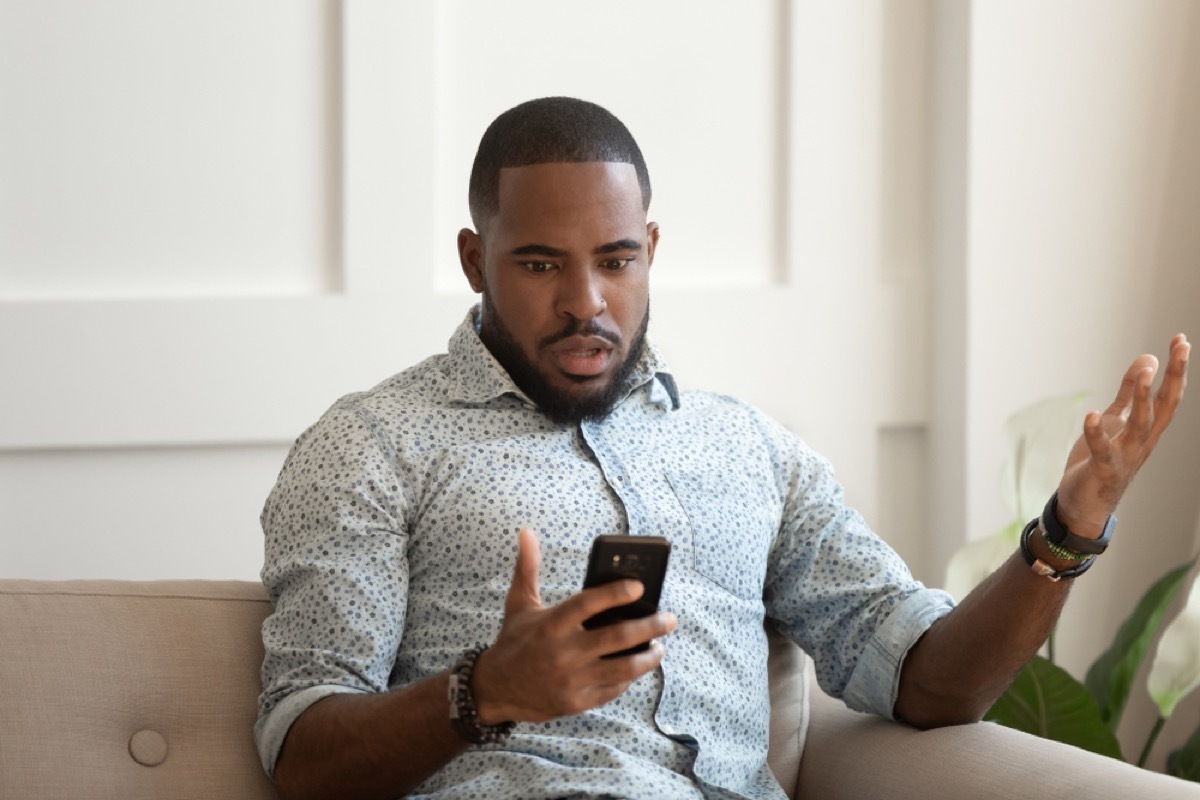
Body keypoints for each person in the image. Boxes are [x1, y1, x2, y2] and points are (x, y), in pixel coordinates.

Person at [255, 96, 1190, 800]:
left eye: (616, 259)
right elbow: (302, 755)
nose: (587, 301)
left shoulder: (750, 451)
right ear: (474, 259)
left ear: (651, 249)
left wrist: (1068, 529)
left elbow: (927, 681)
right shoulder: (372, 445)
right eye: (541, 264)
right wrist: (486, 691)